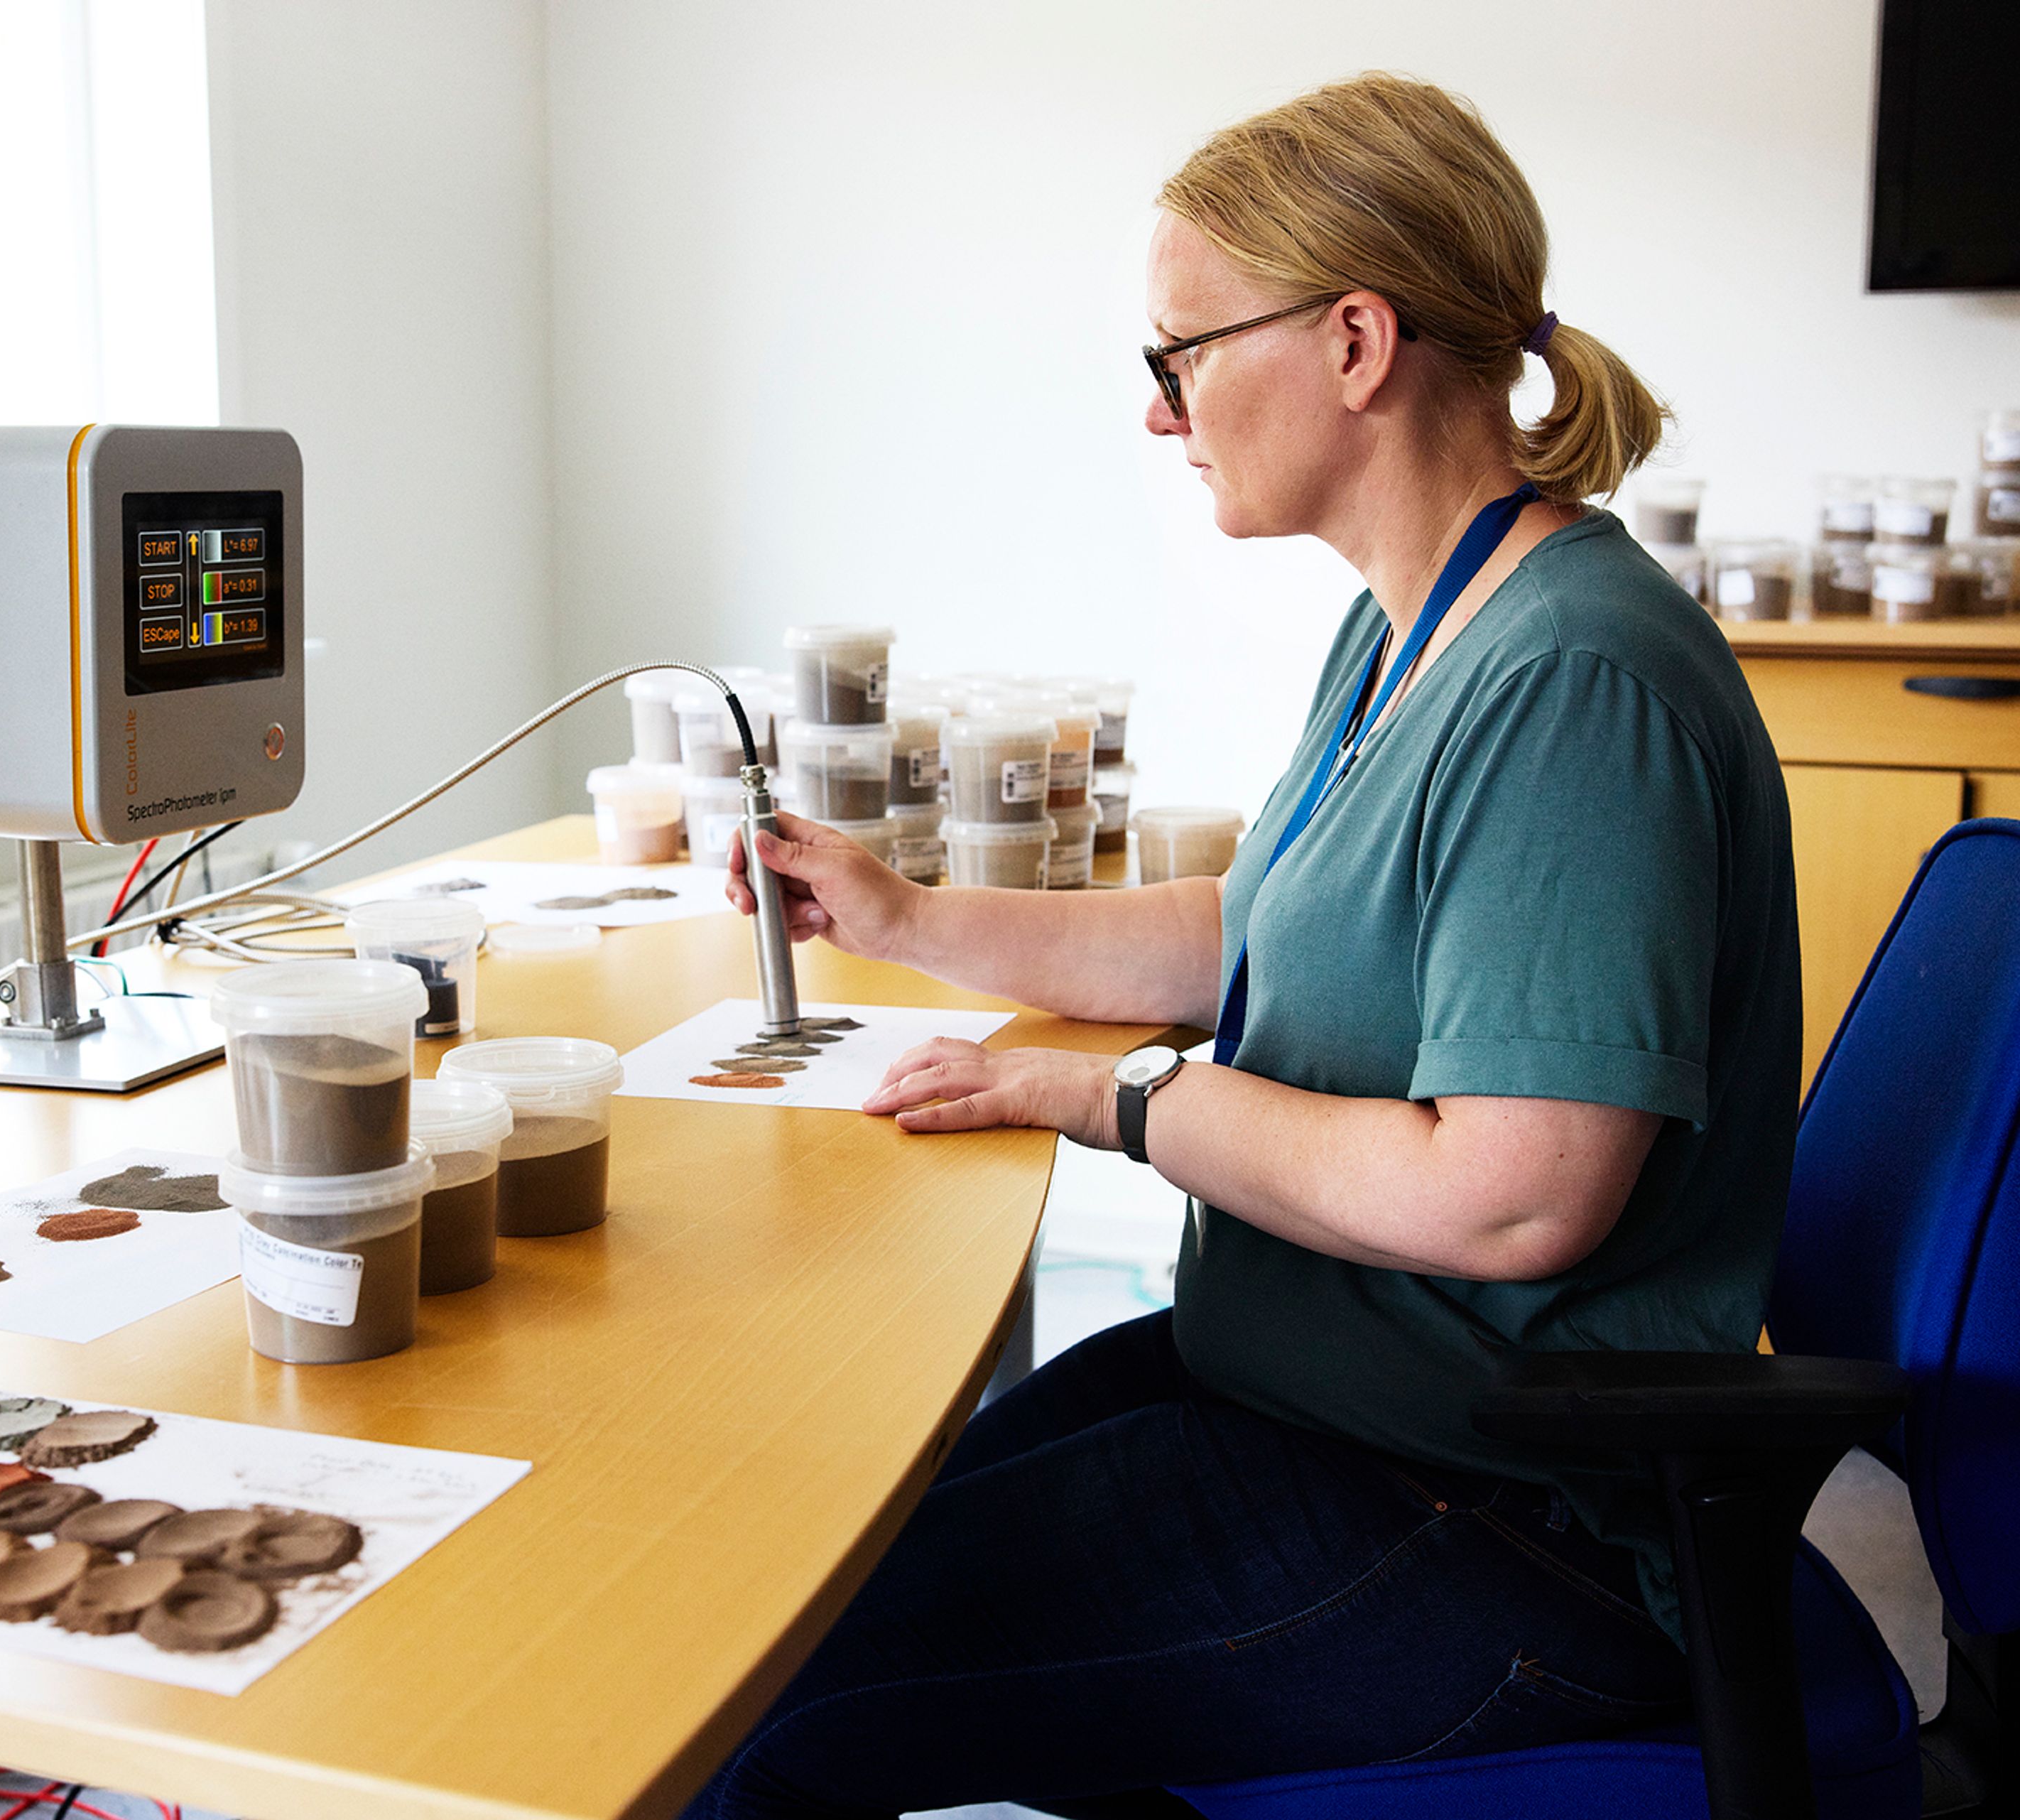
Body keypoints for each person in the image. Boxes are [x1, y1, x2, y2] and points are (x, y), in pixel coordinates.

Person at [694, 71, 1799, 1816]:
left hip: (1495, 1522)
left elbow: (1511, 1197)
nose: (1161, 413)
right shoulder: (1417, 624)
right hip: (1322, 1411)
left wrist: (1108, 1100)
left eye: (1180, 354)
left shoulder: (1573, 680)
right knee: (788, 1579)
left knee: (749, 1719)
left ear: (1355, 341)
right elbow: (1261, 925)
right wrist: (910, 919)